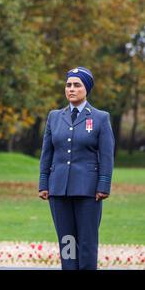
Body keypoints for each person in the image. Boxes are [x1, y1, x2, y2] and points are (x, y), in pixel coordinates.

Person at [38, 66, 115, 270]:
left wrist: (104, 186)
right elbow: (47, 153)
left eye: (77, 85)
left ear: (86, 89)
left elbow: (106, 156)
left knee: (87, 243)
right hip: (58, 190)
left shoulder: (100, 118)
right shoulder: (54, 117)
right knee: (67, 242)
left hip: (89, 191)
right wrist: (43, 183)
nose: (71, 89)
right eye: (68, 85)